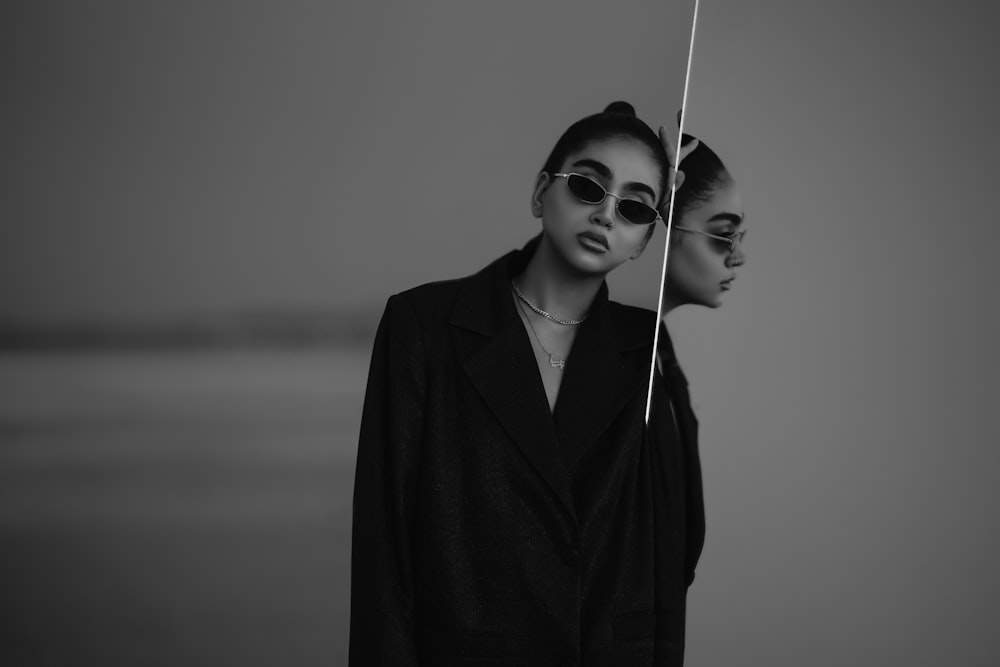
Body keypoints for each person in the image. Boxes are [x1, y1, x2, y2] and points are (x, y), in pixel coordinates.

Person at [350, 102, 696, 666]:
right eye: (588, 186)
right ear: (541, 194)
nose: (608, 215)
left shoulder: (646, 348)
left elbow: (680, 542)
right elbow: (382, 551)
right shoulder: (424, 325)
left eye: (636, 207)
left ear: (644, 243)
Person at [645, 133, 746, 660]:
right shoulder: (612, 359)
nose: (740, 257)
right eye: (723, 235)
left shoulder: (662, 358)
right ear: (662, 225)